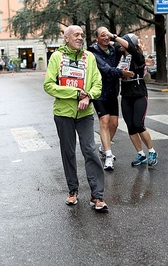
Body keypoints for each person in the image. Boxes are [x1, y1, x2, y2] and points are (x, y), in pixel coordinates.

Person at [44, 25, 108, 211]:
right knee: (68, 152)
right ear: (66, 38)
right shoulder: (57, 57)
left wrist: (88, 96)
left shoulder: (89, 57)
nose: (80, 38)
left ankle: (97, 195)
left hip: (85, 113)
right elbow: (48, 85)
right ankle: (73, 190)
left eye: (82, 35)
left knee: (90, 150)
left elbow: (98, 83)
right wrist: (75, 93)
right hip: (63, 113)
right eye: (76, 35)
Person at [108, 31, 158, 167]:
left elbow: (129, 47)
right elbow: (112, 45)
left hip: (139, 94)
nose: (120, 44)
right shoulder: (120, 55)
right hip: (126, 95)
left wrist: (114, 36)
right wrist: (106, 37)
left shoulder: (137, 56)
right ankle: (141, 154)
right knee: (130, 126)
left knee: (138, 124)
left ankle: (152, 151)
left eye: (123, 42)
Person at [88, 27, 134, 171]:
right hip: (99, 92)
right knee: (105, 121)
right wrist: (122, 72)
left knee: (114, 124)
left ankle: (103, 147)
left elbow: (130, 48)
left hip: (113, 92)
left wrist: (115, 36)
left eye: (108, 35)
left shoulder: (114, 49)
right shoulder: (93, 53)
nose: (106, 37)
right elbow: (106, 69)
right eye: (103, 35)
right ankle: (109, 156)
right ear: (97, 38)